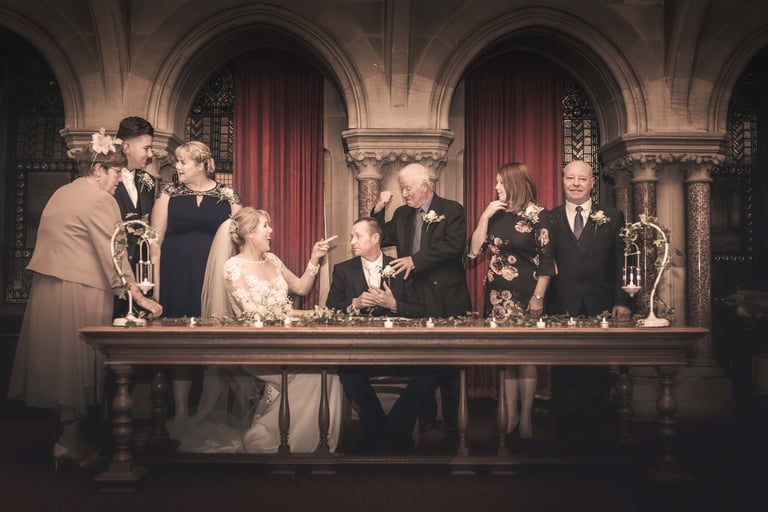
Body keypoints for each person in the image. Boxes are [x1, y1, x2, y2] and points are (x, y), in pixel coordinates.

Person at [7, 128, 163, 469]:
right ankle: (72, 445)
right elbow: (114, 253)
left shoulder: (63, 192)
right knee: (77, 367)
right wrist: (138, 295)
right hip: (81, 289)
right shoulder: (100, 200)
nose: (118, 182)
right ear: (97, 169)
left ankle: (69, 440)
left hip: (51, 289)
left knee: (62, 367)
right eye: (116, 174)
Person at [171, 207, 342, 453]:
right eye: (265, 226)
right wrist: (303, 315)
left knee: (330, 373)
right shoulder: (233, 267)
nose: (271, 231)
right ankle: (272, 438)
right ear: (250, 233)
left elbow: (302, 288)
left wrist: (314, 259)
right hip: (257, 350)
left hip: (288, 344)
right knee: (314, 376)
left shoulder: (273, 261)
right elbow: (254, 315)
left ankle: (305, 443)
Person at [371, 162, 473, 440]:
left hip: (447, 297)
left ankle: (454, 425)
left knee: (451, 363)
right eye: (401, 188)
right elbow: (382, 237)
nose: (404, 193)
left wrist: (416, 260)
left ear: (425, 184)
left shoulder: (452, 209)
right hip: (414, 297)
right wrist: (378, 210)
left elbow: (454, 246)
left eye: (407, 187)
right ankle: (425, 418)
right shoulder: (403, 214)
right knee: (420, 358)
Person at [150, 140, 242, 418]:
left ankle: (208, 414)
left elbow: (241, 241)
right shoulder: (168, 193)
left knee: (213, 344)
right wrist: (155, 289)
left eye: (182, 162)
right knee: (180, 346)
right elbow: (155, 243)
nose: (176, 167)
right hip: (175, 277)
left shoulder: (228, 196)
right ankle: (179, 413)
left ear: (201, 164)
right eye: (176, 162)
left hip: (213, 280)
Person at [326, 217, 432, 452]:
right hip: (360, 352)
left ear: (375, 238)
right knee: (346, 372)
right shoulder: (343, 270)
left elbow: (418, 310)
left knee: (433, 371)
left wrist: (394, 304)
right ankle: (389, 432)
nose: (352, 241)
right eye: (352, 236)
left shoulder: (400, 267)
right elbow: (330, 310)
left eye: (358, 236)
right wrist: (354, 303)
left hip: (400, 351)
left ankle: (388, 429)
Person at [467, 162, 555, 439]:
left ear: (514, 183)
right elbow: (473, 251)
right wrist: (484, 216)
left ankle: (526, 418)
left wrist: (538, 297)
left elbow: (547, 261)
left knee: (526, 358)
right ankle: (509, 414)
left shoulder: (538, 215)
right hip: (496, 299)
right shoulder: (496, 214)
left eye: (500, 182)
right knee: (504, 357)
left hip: (528, 298)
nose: (496, 187)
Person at [547, 160, 632, 439]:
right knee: (563, 368)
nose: (575, 183)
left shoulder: (613, 216)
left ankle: (595, 433)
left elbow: (623, 261)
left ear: (592, 183)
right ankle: (563, 432)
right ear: (562, 181)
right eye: (570, 178)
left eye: (582, 179)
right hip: (561, 304)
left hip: (601, 304)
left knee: (597, 368)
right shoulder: (550, 218)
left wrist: (622, 300)